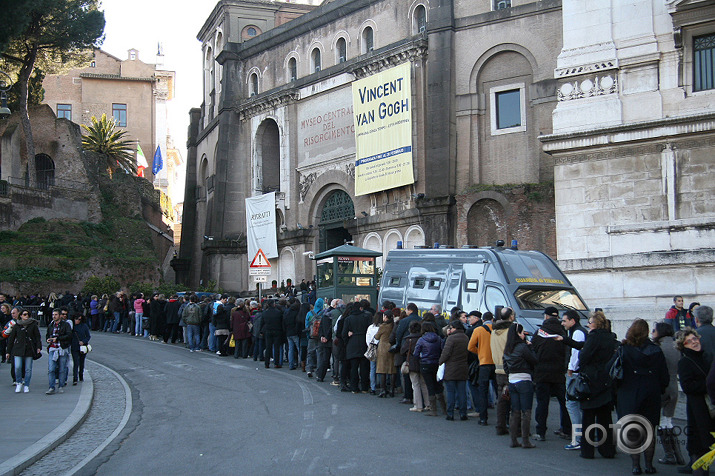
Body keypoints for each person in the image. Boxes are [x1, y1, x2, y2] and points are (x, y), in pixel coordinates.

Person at [614, 319, 669, 475]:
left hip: (629, 392)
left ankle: (635, 465)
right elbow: (664, 376)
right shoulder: (656, 350)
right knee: (649, 430)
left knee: (633, 431)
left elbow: (612, 370)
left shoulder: (624, 349)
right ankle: (649, 465)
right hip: (651, 392)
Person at [570, 310, 617, 460]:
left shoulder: (593, 337)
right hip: (606, 379)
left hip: (591, 379)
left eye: (589, 323)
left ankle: (587, 450)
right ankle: (607, 449)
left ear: (595, 324)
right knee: (605, 417)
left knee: (589, 417)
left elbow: (584, 356)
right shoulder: (611, 337)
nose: (588, 325)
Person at [676, 328, 715, 476]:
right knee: (700, 446)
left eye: (695, 339)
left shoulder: (707, 356)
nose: (694, 342)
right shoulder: (685, 362)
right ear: (683, 345)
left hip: (710, 405)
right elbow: (687, 387)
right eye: (689, 341)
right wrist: (708, 384)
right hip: (698, 409)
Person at [530, 306, 571, 442]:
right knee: (564, 403)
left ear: (546, 317)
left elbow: (533, 349)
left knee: (542, 403)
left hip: (542, 372)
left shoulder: (539, 332)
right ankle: (566, 429)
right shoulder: (563, 332)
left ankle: (541, 432)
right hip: (558, 372)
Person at [652, 321, 685, 466]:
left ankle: (670, 455)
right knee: (668, 421)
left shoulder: (658, 347)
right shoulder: (676, 346)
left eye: (654, 330)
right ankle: (677, 455)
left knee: (661, 423)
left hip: (662, 386)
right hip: (673, 385)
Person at [503, 321, 537, 448]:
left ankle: (513, 440)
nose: (524, 335)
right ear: (518, 333)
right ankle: (525, 440)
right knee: (526, 411)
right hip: (524, 380)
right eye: (522, 333)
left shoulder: (507, 349)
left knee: (514, 411)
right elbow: (534, 360)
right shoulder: (523, 347)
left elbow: (506, 367)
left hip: (512, 380)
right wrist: (531, 347)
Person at [562, 309, 587, 451]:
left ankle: (577, 438)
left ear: (572, 321)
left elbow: (576, 353)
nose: (563, 323)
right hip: (578, 372)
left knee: (572, 405)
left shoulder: (577, 332)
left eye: (565, 320)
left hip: (575, 373)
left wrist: (571, 369)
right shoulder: (578, 331)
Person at [467, 310, 495, 426]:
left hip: (484, 363)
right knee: (499, 389)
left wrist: (480, 353)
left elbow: (470, 346)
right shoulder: (497, 330)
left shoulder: (478, 330)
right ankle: (506, 419)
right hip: (496, 362)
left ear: (483, 320)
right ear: (493, 320)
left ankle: (483, 418)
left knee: (482, 390)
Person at [491, 307, 515, 434]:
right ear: (511, 317)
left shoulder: (494, 331)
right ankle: (516, 426)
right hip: (510, 369)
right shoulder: (511, 331)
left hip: (498, 369)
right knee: (515, 399)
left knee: (502, 399)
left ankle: (500, 426)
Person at [439, 320, 470, 421]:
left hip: (451, 368)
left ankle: (450, 413)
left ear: (454, 328)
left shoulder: (451, 339)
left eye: (451, 328)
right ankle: (463, 413)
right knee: (462, 392)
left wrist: (440, 362)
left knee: (451, 392)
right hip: (463, 367)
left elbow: (446, 353)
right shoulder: (465, 337)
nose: (449, 330)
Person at [6, 308, 42, 393]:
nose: (26, 316)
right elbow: (11, 339)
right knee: (17, 367)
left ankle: (26, 384)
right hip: (18, 349)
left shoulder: (33, 325)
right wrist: (8, 351)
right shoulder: (17, 325)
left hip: (29, 349)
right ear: (21, 316)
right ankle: (19, 382)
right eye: (24, 314)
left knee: (28, 369)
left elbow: (37, 337)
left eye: (28, 314)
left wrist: (38, 347)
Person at [414, 321, 446, 416]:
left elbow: (416, 353)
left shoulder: (421, 340)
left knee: (429, 385)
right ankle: (444, 408)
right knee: (438, 385)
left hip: (425, 364)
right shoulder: (439, 338)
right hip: (436, 363)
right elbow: (443, 350)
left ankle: (433, 409)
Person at [342, 300, 371, 393]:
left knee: (353, 367)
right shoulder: (366, 317)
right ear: (360, 308)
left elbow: (343, 334)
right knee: (364, 367)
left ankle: (354, 387)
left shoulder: (348, 319)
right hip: (363, 343)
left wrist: (348, 340)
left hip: (352, 344)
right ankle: (365, 387)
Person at [402, 320, 428, 412]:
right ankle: (428, 404)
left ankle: (418, 405)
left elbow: (402, 351)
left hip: (412, 363)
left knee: (415, 384)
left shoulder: (409, 339)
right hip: (423, 362)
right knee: (424, 384)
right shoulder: (423, 338)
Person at [45, 308, 72, 395]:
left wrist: (58, 339)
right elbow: (47, 335)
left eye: (56, 315)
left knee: (62, 369)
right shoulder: (51, 325)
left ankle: (61, 386)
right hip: (53, 348)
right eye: (53, 315)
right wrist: (48, 340)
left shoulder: (65, 325)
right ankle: (51, 387)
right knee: (51, 369)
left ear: (60, 315)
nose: (54, 316)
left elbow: (69, 335)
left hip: (62, 348)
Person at [374, 311, 396, 397]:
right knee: (392, 369)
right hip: (392, 347)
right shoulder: (393, 325)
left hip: (383, 348)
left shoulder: (383, 326)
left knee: (382, 369)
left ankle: (383, 390)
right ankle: (392, 389)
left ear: (386, 317)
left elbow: (377, 336)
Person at [305, 298, 325, 377]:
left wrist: (308, 335)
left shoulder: (309, 313)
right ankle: (318, 371)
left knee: (310, 352)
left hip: (311, 335)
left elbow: (306, 325)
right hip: (320, 336)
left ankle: (309, 369)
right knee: (320, 353)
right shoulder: (324, 313)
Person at [71, 314, 91, 385]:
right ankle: (75, 378)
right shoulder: (72, 326)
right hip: (74, 346)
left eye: (79, 319)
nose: (77, 321)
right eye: (76, 319)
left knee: (81, 362)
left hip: (82, 346)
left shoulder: (84, 326)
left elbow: (88, 336)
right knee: (76, 362)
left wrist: (83, 341)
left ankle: (81, 374)